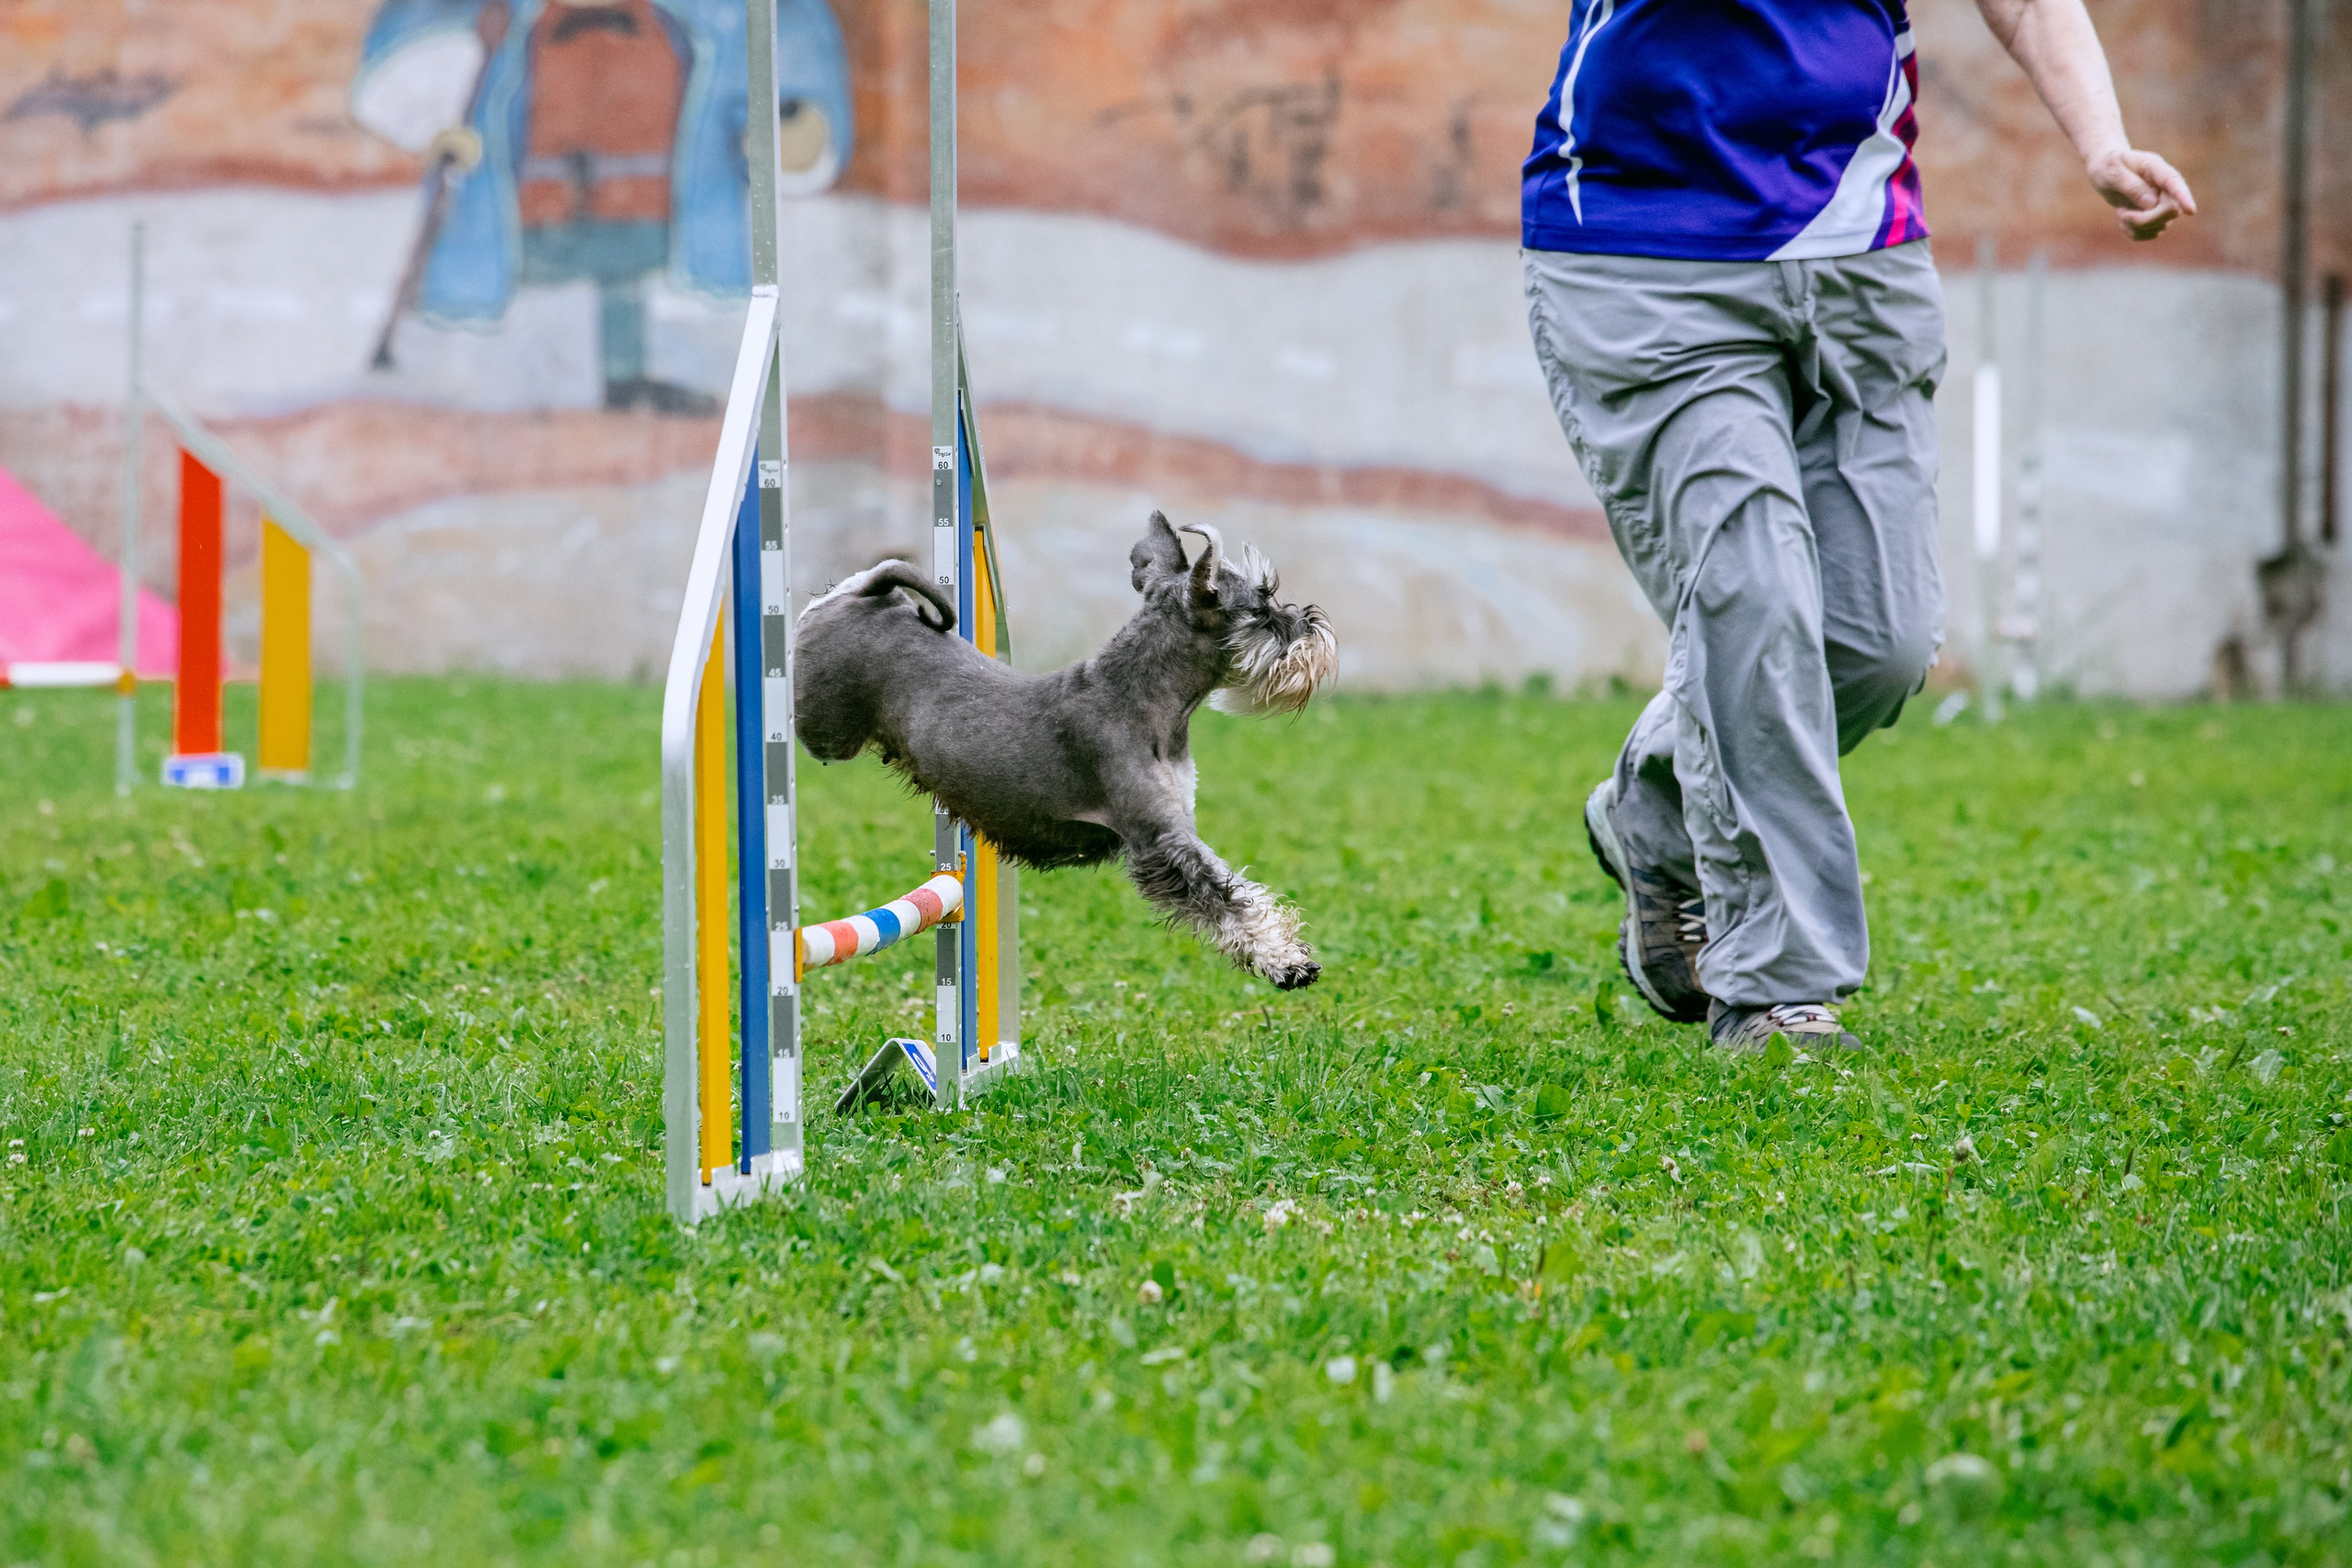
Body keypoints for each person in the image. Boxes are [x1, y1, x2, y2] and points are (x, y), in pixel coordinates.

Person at [1521, 0, 2194, 1053]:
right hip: (1649, 252)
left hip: (1861, 259)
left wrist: (2100, 141)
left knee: (1877, 644)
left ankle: (1651, 804)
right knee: (1753, 601)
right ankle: (1775, 987)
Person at [352, 0, 853, 413]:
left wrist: (791, 132)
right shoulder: (500, 21)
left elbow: (777, 59)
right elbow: (416, 54)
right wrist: (436, 108)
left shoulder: (708, 21)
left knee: (623, 277)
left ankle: (622, 379)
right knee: (532, 283)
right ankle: (519, 390)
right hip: (536, 190)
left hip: (645, 185)